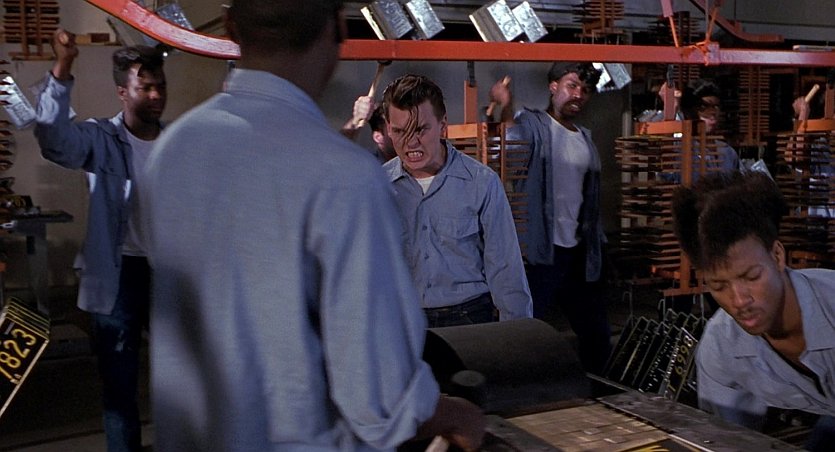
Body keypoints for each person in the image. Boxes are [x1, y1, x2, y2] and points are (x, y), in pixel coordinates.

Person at [141, 1, 483, 451]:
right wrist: (456, 414)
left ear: (229, 25)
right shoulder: (344, 177)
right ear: (338, 26)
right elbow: (379, 399)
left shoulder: (173, 153)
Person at [33, 30, 166, 452]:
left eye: (160, 86)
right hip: (118, 272)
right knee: (120, 384)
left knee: (178, 382)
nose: (156, 95)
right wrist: (63, 66)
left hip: (168, 273)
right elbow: (53, 141)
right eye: (145, 87)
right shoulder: (102, 138)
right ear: (122, 93)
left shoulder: (176, 142)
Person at [671, 171, 835, 451]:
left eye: (751, 277)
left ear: (777, 256)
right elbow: (728, 442)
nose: (739, 301)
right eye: (718, 285)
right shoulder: (721, 345)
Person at [381, 74, 532, 328]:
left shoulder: (481, 183)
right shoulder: (378, 187)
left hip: (467, 318)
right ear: (388, 128)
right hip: (400, 319)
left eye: (420, 129)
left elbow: (506, 270)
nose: (410, 142)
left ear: (442, 126)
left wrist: (517, 337)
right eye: (399, 131)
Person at [489, 62, 612, 374]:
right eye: (572, 85)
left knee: (596, 335)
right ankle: (513, 388)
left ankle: (599, 390)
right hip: (540, 248)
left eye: (585, 90)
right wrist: (506, 107)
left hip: (578, 250)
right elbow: (509, 157)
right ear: (553, 86)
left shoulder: (584, 137)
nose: (579, 94)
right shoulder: (532, 124)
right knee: (523, 328)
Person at [679, 78, 740, 177]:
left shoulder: (728, 153)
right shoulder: (680, 152)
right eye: (704, 108)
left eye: (716, 107)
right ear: (689, 111)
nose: (712, 113)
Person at [341, 95, 397, 163]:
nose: (407, 135)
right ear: (378, 137)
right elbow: (338, 152)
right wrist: (355, 121)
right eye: (397, 130)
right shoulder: (366, 163)